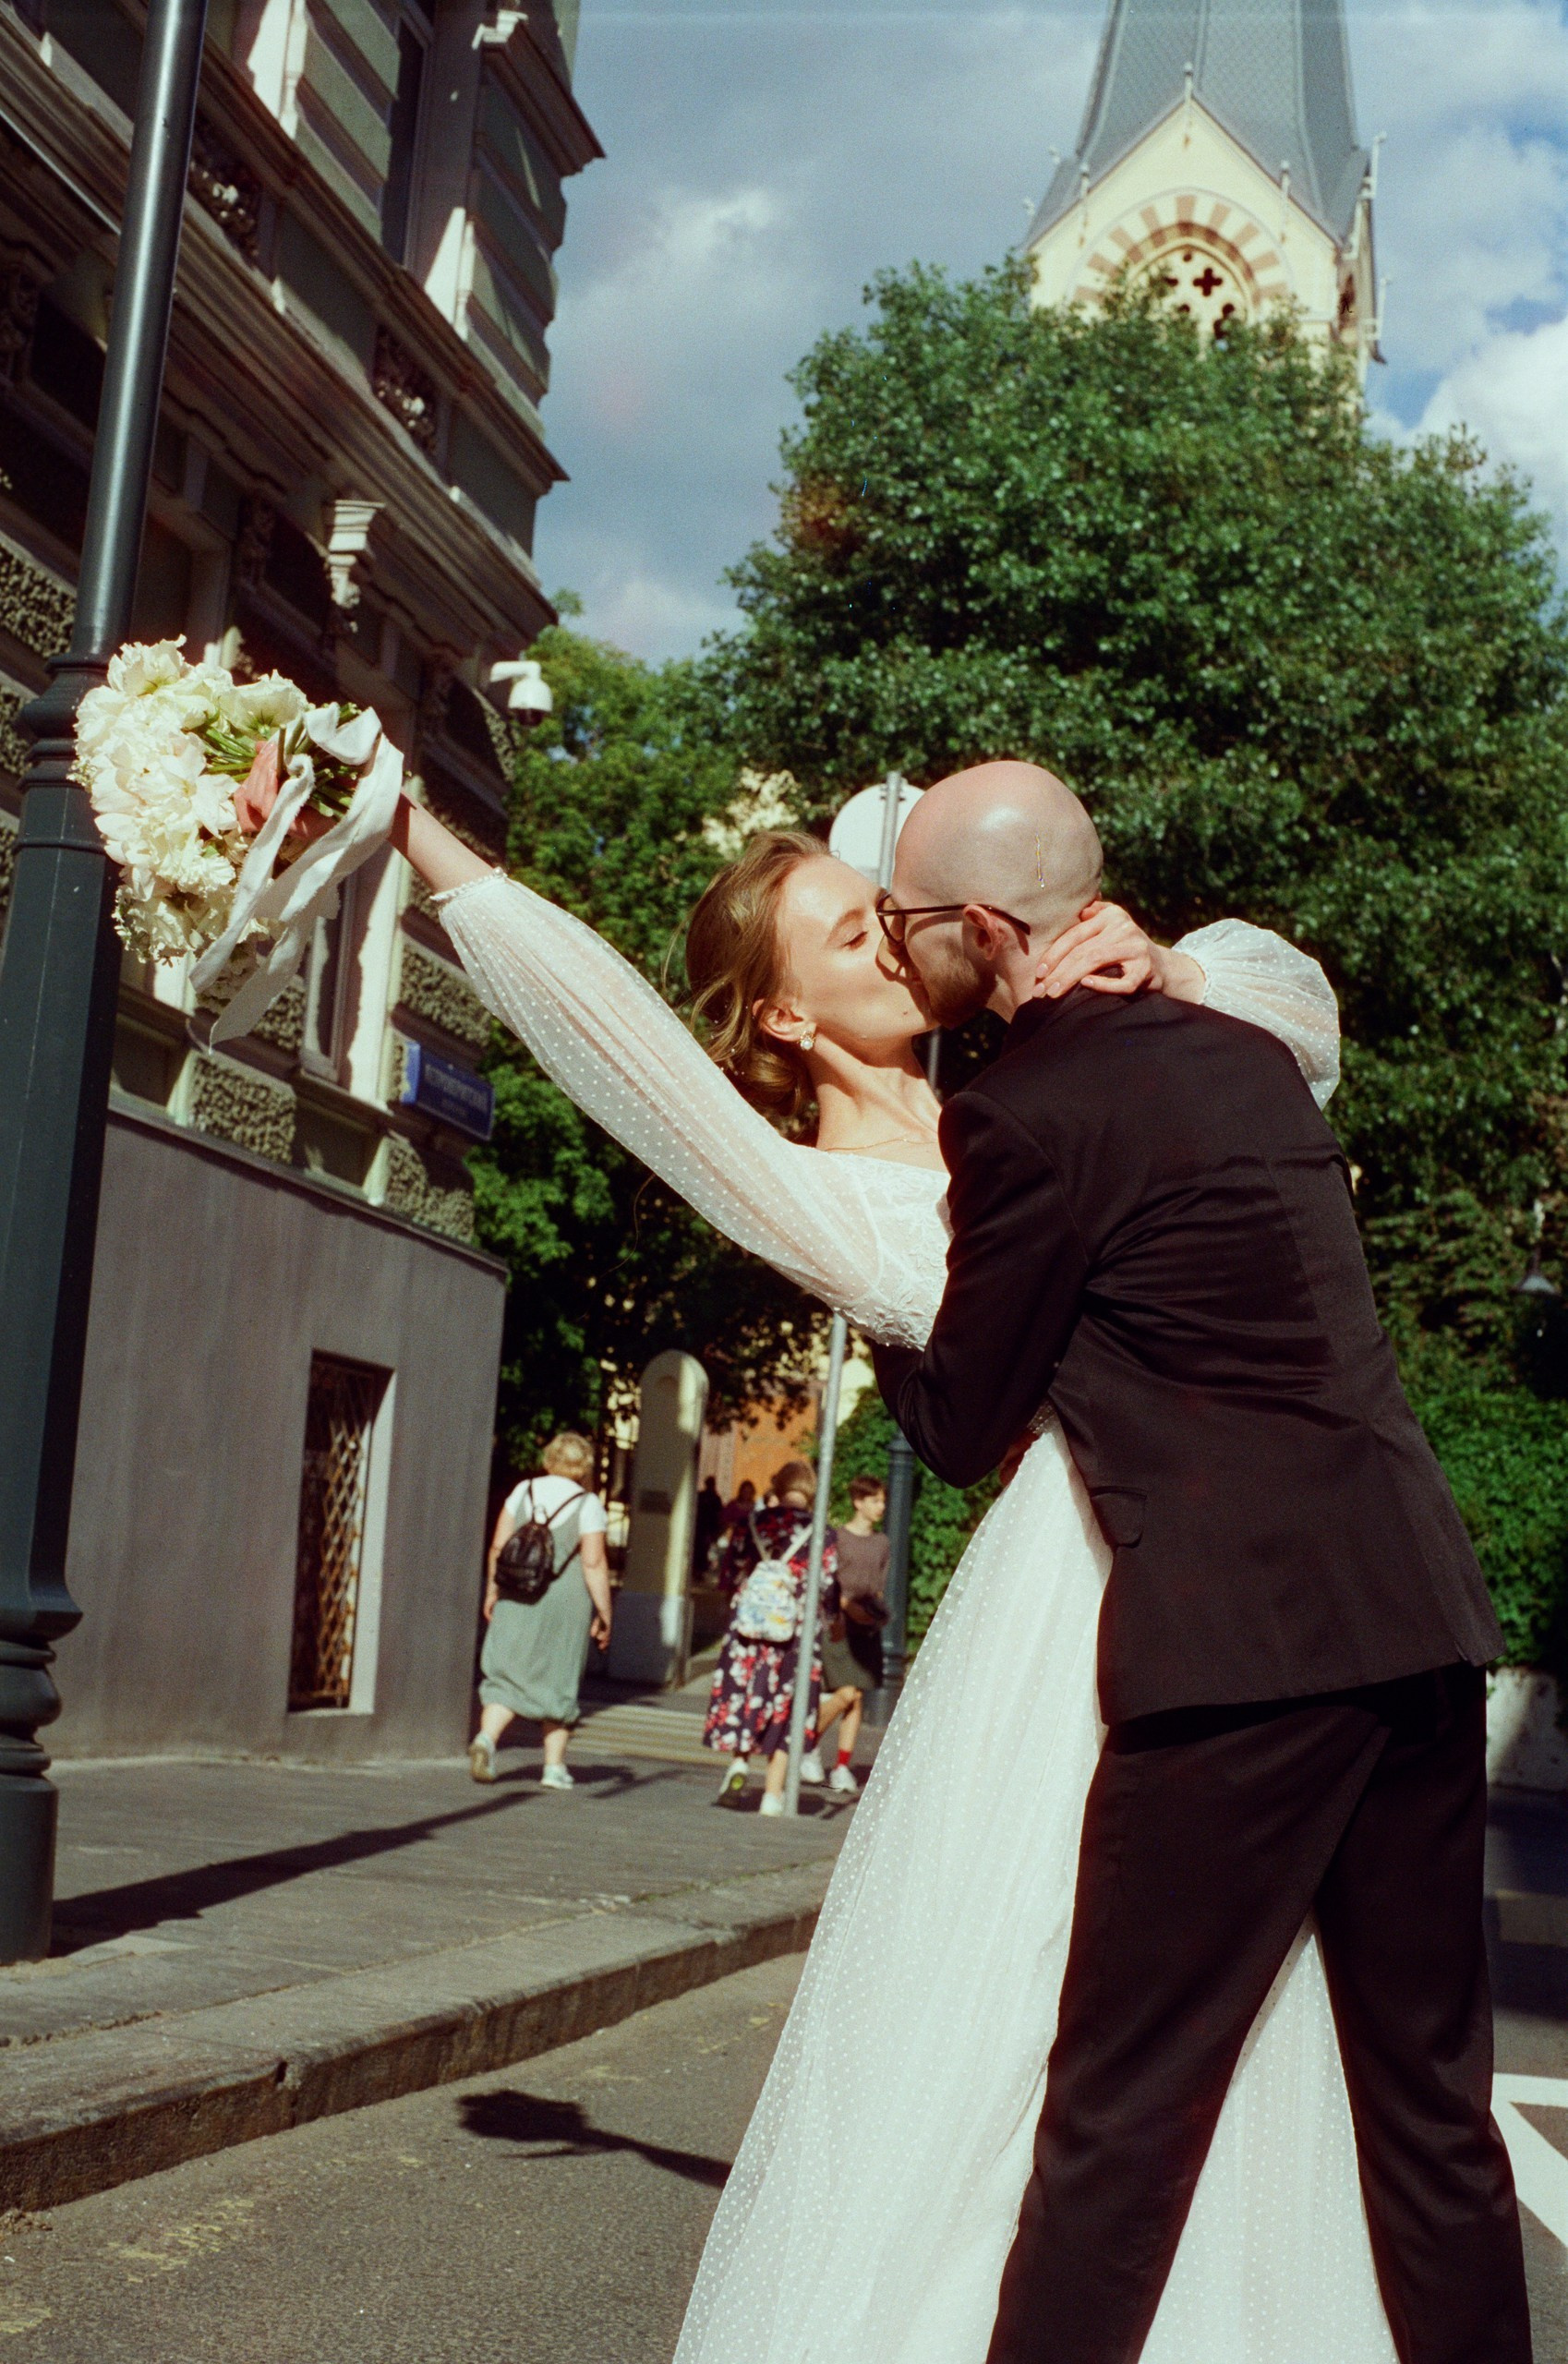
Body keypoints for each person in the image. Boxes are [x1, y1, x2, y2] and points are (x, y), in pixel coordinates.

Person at [381, 785, 1403, 2360]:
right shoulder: (822, 1194)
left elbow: (1299, 1026)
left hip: (1191, 1587)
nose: (887, 934)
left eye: (886, 910)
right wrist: (416, 835)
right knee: (1023, 2033)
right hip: (1070, 1614)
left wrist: (1159, 964)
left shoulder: (1039, 1073)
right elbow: (620, 1041)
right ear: (785, 1010)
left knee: (1221, 2032)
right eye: (847, 930)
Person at [874, 761, 1525, 2364]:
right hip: (1418, 1617)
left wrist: (880, 1299)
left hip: (1238, 1661)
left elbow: (963, 1419)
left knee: (1115, 2118)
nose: (893, 955)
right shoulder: (1244, 1062)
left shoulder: (1015, 1112)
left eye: (902, 926)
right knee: (1433, 2113)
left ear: (976, 927)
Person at [470, 1430, 613, 1792]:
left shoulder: (523, 1491)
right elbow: (593, 1563)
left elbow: (499, 1546)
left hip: (515, 1594)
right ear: (584, 1467)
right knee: (558, 1679)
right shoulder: (588, 1504)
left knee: (505, 1677)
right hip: (563, 1604)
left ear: (549, 1459)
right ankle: (553, 1768)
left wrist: (492, 1590)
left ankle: (487, 1739)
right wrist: (605, 1612)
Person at [706, 1460, 832, 1815]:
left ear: (777, 1487)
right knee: (785, 1707)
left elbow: (731, 1572)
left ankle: (739, 1763)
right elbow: (826, 1587)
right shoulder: (821, 1532)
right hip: (794, 1635)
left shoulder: (752, 1523)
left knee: (749, 1695)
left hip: (749, 1632)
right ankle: (773, 1795)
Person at [814, 1473, 890, 1793]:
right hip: (839, 1626)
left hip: (866, 1628)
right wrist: (845, 1606)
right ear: (858, 1502)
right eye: (874, 1500)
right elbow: (828, 1582)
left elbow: (878, 1586)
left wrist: (877, 1614)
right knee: (846, 1693)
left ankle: (842, 1765)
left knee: (856, 1698)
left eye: (883, 1501)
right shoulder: (838, 1538)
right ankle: (805, 1742)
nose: (881, 1507)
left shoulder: (882, 1543)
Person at [693, 1473, 726, 1579]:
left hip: (709, 1529)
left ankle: (701, 1572)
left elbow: (719, 1515)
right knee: (699, 1550)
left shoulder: (715, 1498)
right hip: (700, 1527)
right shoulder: (702, 1496)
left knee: (705, 1551)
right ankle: (697, 1571)